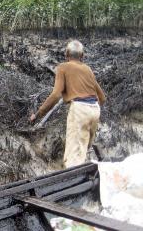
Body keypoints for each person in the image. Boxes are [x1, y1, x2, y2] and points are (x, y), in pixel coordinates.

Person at [30, 40, 106, 168]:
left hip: (79, 110)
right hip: (95, 109)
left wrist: (37, 114)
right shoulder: (87, 69)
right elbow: (102, 98)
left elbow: (55, 95)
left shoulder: (63, 68)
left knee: (73, 154)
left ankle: (73, 182)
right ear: (82, 56)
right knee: (82, 148)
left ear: (66, 54)